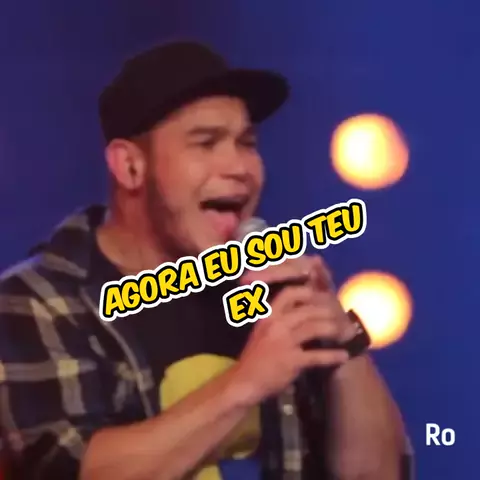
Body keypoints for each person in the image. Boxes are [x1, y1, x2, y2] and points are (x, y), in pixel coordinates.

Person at [0, 41, 413, 480]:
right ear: (130, 167)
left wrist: (343, 345)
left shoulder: (271, 289)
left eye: (246, 143)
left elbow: (380, 474)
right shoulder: (39, 302)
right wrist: (247, 383)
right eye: (207, 143)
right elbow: (69, 470)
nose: (240, 167)